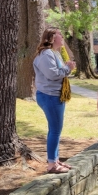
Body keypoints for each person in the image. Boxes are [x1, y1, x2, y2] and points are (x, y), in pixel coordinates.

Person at [33, 26, 76, 174]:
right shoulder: (46, 54)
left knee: (56, 129)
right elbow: (52, 74)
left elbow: (57, 72)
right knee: (55, 130)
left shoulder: (54, 53)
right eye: (59, 34)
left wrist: (66, 67)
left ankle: (55, 159)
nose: (62, 37)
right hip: (49, 96)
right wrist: (68, 68)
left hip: (55, 95)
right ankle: (52, 165)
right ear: (51, 38)